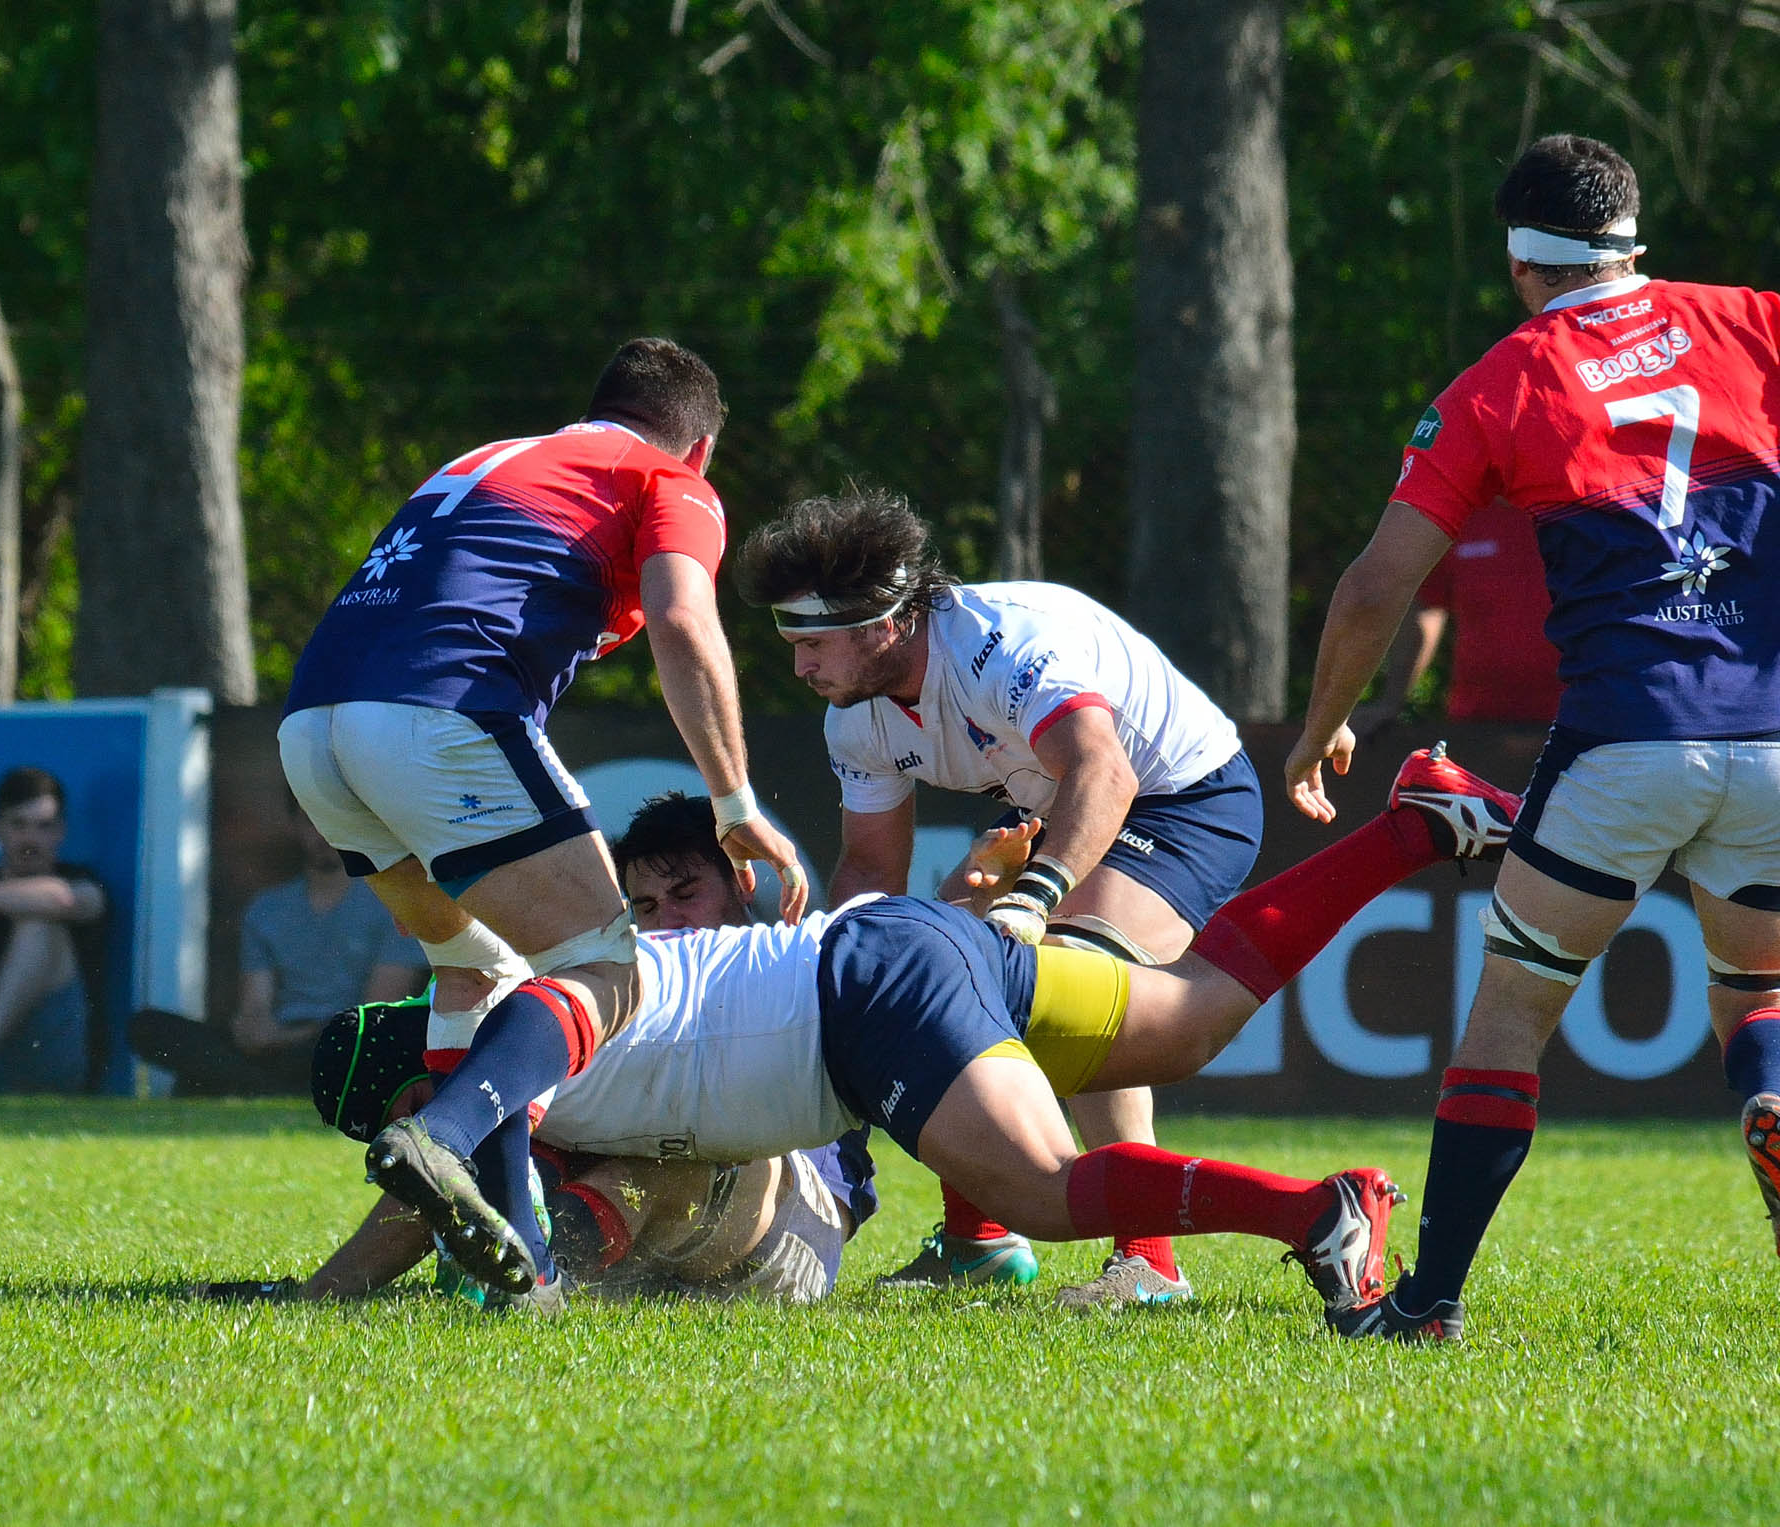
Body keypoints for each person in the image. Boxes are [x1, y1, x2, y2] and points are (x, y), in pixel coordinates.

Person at [356, 746, 1527, 1325]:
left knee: (1048, 1193)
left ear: (415, 1087)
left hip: (862, 1003)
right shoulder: (534, 1029)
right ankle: (1416, 825)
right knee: (1186, 1021)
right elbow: (444, 1212)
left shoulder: (520, 1023)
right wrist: (303, 1294)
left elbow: (479, 1134)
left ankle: (1315, 1214)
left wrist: (450, 1132)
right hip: (907, 958)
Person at [1285, 133, 1780, 1342]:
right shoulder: (1755, 322)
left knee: (1511, 1017)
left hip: (1623, 739)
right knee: (1760, 994)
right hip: (1771, 740)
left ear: (1522, 263)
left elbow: (1373, 588)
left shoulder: (1502, 381)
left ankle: (1429, 1303)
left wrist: (1320, 730)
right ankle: (1769, 1094)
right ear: (1635, 235)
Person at [278, 337, 808, 1304]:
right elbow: (685, 623)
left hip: (312, 731)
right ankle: (440, 1137)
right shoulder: (666, 476)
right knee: (609, 965)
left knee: (474, 969)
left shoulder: (492, 457)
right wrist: (734, 803)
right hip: (439, 714)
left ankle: (509, 1269)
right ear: (702, 449)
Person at [734, 485, 1264, 1306]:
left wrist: (1041, 892)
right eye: (789, 639)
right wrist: (826, 984)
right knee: (933, 966)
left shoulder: (998, 646)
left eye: (814, 640)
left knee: (1070, 969)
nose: (799, 665)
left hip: (1181, 796)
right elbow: (872, 875)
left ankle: (1152, 1261)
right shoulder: (855, 717)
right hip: (1055, 806)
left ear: (885, 621)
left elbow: (1106, 770)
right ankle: (979, 1241)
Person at [203, 795, 877, 1313]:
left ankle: (532, 1277)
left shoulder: (793, 985)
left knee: (660, 1149)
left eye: (686, 893)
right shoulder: (620, 989)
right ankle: (507, 1266)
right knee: (515, 1135)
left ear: (743, 883)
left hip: (793, 1232)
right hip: (683, 1228)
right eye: (644, 904)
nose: (667, 918)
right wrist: (325, 1289)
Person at [128, 795, 423, 1094]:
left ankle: (247, 1085)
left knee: (365, 1043)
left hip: (343, 1042)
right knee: (148, 1027)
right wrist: (254, 1030)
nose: (322, 833)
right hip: (276, 1046)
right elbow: (255, 1003)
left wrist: (286, 1037)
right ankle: (272, 1087)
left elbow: (375, 1011)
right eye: (311, 820)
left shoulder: (390, 905)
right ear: (295, 825)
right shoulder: (267, 909)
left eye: (333, 820)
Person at [1350, 498, 1563, 740]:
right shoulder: (1460, 517)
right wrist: (1391, 701)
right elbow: (1427, 606)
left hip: (1576, 720)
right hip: (1476, 724)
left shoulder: (1583, 514)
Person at [0, 767, 106, 1093]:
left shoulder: (80, 879)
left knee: (38, 924)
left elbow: (64, 900)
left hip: (49, 1057)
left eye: (43, 826)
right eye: (18, 825)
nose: (30, 839)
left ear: (61, 832)